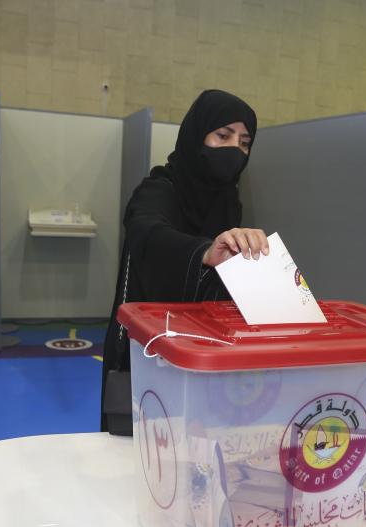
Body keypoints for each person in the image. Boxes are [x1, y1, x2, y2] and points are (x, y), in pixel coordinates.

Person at [101, 89, 269, 434]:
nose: (235, 149)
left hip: (204, 349)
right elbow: (146, 229)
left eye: (244, 142)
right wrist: (203, 252)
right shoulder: (159, 189)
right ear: (197, 135)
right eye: (223, 135)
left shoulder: (228, 202)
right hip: (148, 350)